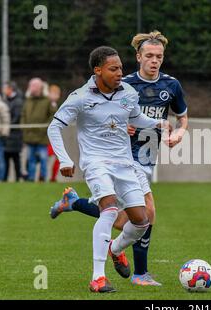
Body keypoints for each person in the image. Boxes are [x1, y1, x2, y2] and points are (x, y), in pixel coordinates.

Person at [49, 30, 188, 286]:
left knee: (140, 221)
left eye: (120, 68)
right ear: (98, 70)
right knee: (111, 210)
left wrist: (159, 124)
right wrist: (65, 160)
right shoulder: (79, 98)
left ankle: (112, 247)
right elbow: (53, 127)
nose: (119, 73)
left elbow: (136, 118)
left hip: (125, 163)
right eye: (114, 69)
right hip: (96, 162)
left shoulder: (127, 92)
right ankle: (98, 278)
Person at [21, 78, 55, 182]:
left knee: (43, 158)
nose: (31, 88)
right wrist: (24, 128)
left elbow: (52, 115)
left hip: (42, 137)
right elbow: (23, 115)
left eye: (34, 86)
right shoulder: (28, 101)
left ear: (40, 87)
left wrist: (46, 128)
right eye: (30, 86)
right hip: (30, 136)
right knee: (30, 159)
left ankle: (42, 177)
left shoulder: (47, 101)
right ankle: (31, 178)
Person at [2, 81, 24, 182]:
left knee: (16, 158)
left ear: (10, 89)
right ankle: (5, 179)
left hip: (15, 135)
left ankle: (17, 178)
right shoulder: (5, 100)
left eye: (5, 88)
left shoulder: (18, 102)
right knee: (5, 158)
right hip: (6, 135)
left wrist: (6, 126)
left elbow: (16, 117)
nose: (4, 90)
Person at [47, 84, 61, 182]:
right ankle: (43, 177)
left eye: (57, 94)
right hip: (47, 136)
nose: (55, 96)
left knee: (57, 158)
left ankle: (53, 177)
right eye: (53, 93)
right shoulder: (48, 105)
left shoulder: (55, 105)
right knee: (45, 159)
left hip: (53, 136)